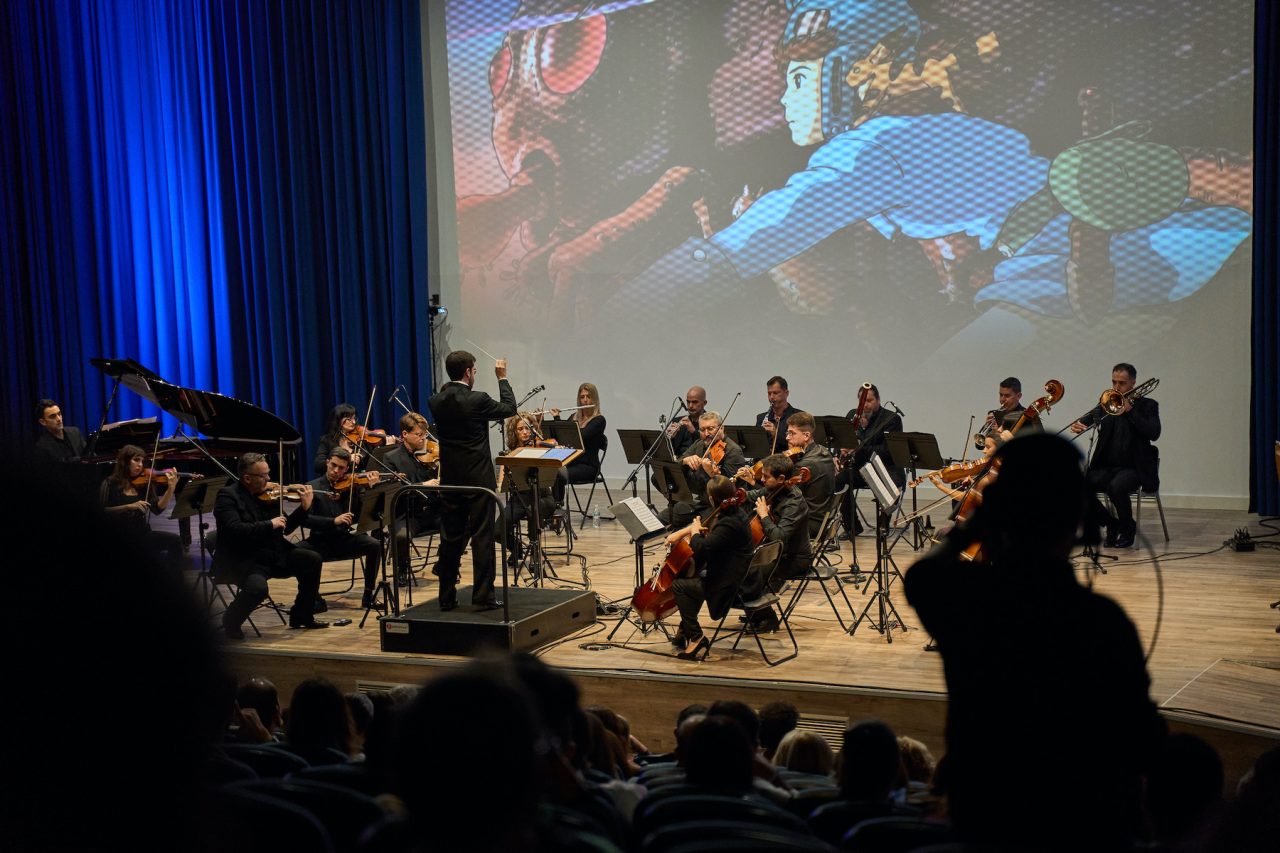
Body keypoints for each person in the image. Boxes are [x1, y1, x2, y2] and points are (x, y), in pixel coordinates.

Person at [904, 433, 1166, 849]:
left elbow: (922, 576)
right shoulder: (1101, 622)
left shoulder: (970, 604)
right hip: (1082, 825)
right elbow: (1144, 739)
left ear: (1000, 513)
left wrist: (975, 523)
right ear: (1077, 521)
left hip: (985, 818)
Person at [427, 350, 518, 610]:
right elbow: (509, 408)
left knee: (450, 538)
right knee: (482, 537)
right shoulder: (478, 399)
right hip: (478, 480)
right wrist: (502, 378)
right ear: (468, 372)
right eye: (474, 370)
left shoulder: (435, 401)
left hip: (451, 480)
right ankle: (482, 596)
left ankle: (446, 597)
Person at [211, 452, 326, 638]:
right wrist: (269, 524)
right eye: (263, 475)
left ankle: (302, 615)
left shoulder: (269, 495)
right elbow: (234, 530)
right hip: (245, 559)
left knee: (311, 560)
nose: (269, 479)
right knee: (258, 589)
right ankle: (231, 620)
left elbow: (286, 528)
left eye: (268, 473)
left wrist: (303, 509)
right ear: (247, 478)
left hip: (273, 554)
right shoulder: (227, 497)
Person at [1070, 362, 1161, 548]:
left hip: (1134, 467)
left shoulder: (1148, 405)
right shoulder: (1107, 403)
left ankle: (1128, 530)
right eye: (1114, 382)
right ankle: (1111, 523)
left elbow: (1154, 433)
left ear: (1133, 382)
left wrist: (1130, 411)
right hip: (1106, 466)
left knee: (1116, 487)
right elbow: (1088, 419)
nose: (1117, 387)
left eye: (1122, 383)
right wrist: (1080, 424)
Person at [666, 475, 757, 660]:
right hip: (741, 576)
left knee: (680, 585)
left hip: (731, 586)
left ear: (711, 498)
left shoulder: (728, 522)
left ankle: (695, 636)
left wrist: (694, 533)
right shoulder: (736, 513)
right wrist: (691, 531)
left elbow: (703, 549)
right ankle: (685, 631)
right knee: (695, 576)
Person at [297, 447, 385, 609]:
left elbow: (365, 515)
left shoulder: (352, 487)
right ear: (327, 463)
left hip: (345, 539)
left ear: (347, 469)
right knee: (298, 552)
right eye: (333, 465)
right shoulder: (312, 487)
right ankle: (313, 597)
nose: (336, 471)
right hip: (320, 542)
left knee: (375, 545)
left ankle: (368, 596)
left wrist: (372, 490)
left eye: (341, 468)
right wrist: (333, 521)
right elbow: (306, 520)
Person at [742, 453, 811, 634]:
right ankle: (755, 609)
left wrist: (764, 516)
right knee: (740, 562)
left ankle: (767, 618)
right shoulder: (775, 488)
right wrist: (734, 495)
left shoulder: (794, 502)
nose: (761, 480)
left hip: (794, 559)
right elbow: (753, 495)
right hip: (777, 553)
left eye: (766, 477)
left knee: (749, 571)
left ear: (781, 478)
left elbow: (779, 537)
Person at [99, 444, 184, 573]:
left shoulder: (144, 484)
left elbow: (157, 509)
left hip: (142, 535)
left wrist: (171, 489)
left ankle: (174, 581)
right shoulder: (110, 483)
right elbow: (102, 511)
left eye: (142, 461)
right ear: (125, 461)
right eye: (136, 460)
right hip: (118, 537)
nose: (140, 465)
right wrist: (129, 506)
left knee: (175, 541)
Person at [660, 410, 747, 528]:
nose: (706, 433)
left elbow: (729, 489)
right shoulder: (699, 444)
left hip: (720, 506)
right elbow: (677, 464)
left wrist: (711, 473)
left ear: (722, 428)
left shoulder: (733, 451)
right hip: (700, 502)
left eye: (710, 429)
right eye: (702, 430)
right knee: (661, 519)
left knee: (698, 531)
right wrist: (685, 461)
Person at [381, 411, 441, 582]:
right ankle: (402, 569)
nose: (423, 439)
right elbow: (393, 490)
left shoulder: (431, 454)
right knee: (401, 536)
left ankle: (443, 564)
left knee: (462, 524)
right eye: (419, 435)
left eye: (425, 435)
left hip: (431, 511)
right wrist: (423, 485)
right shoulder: (391, 458)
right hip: (407, 514)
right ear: (405, 434)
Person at [838, 386, 903, 536]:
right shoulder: (852, 415)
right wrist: (839, 453)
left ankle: (883, 524)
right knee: (839, 480)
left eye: (869, 400)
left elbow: (888, 451)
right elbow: (842, 439)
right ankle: (852, 526)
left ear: (878, 400)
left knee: (891, 484)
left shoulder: (891, 419)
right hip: (860, 467)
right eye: (862, 401)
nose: (865, 405)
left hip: (885, 468)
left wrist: (858, 448)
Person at [500, 413, 560, 572]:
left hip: (543, 496)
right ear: (514, 432)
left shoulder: (541, 448)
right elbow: (502, 483)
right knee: (497, 530)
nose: (525, 432)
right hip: (519, 499)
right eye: (520, 429)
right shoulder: (511, 453)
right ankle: (516, 548)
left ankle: (535, 555)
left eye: (528, 428)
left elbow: (561, 474)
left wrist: (557, 453)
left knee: (535, 510)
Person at [550, 381, 607, 501]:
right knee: (548, 471)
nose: (585, 400)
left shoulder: (599, 420)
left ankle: (557, 506)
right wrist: (556, 418)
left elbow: (580, 436)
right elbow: (561, 435)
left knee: (557, 474)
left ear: (594, 399)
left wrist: (561, 423)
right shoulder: (573, 417)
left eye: (588, 396)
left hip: (588, 466)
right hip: (570, 463)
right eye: (582, 397)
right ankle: (551, 506)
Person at [755, 376, 801, 455]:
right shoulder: (761, 418)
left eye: (775, 393)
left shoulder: (798, 416)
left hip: (788, 460)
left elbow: (798, 445)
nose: (771, 397)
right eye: (769, 393)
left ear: (786, 393)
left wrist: (775, 434)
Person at [33, 399, 86, 463]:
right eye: (53, 416)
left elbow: (88, 455)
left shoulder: (75, 432)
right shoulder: (42, 446)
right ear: (43, 422)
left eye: (59, 414)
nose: (59, 419)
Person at [663, 386, 708, 458]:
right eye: (688, 402)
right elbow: (669, 452)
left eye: (694, 402)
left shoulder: (710, 423)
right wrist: (670, 439)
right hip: (677, 462)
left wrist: (694, 432)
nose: (690, 406)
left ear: (704, 403)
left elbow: (708, 447)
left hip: (697, 463)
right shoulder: (677, 421)